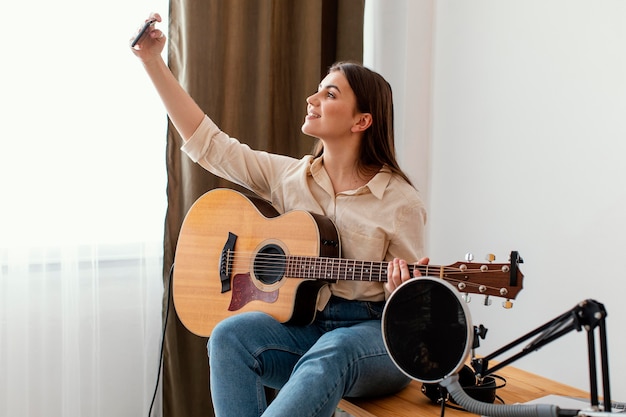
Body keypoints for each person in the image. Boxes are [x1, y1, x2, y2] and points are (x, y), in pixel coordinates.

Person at [131, 12, 429, 417]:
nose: (313, 99)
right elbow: (210, 145)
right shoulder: (291, 177)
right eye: (318, 91)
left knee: (333, 350)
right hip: (308, 326)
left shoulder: (400, 201)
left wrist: (402, 288)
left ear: (362, 121)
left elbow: (412, 308)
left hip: (375, 337)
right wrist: (152, 61)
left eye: (330, 95)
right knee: (228, 337)